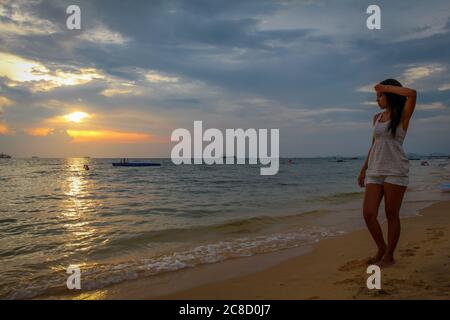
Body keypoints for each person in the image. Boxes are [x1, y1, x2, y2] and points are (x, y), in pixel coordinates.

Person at [357, 78, 417, 268]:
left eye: (380, 96)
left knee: (392, 214)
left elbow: (412, 94)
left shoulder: (403, 115)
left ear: (390, 95)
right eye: (377, 96)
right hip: (375, 170)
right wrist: (363, 169)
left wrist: (387, 87)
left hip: (395, 170)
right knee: (368, 213)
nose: (377, 100)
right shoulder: (376, 118)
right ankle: (381, 247)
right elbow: (374, 144)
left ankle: (389, 256)